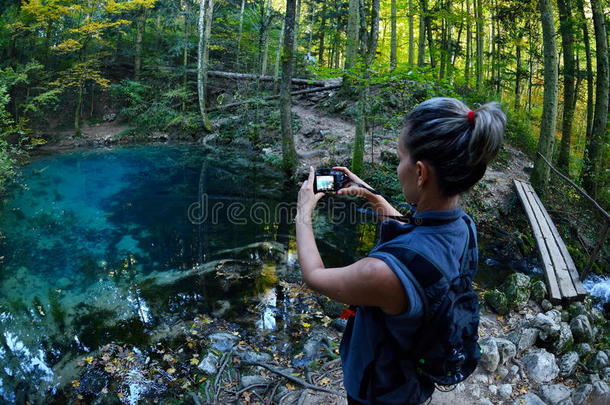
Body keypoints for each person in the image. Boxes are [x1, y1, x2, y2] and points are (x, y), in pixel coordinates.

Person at [295, 97, 506, 405]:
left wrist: (303, 212)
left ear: (420, 173)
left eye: (400, 158)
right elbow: (419, 246)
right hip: (414, 375)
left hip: (377, 389)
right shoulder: (464, 227)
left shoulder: (382, 273)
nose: (397, 168)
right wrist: (375, 198)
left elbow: (314, 276)